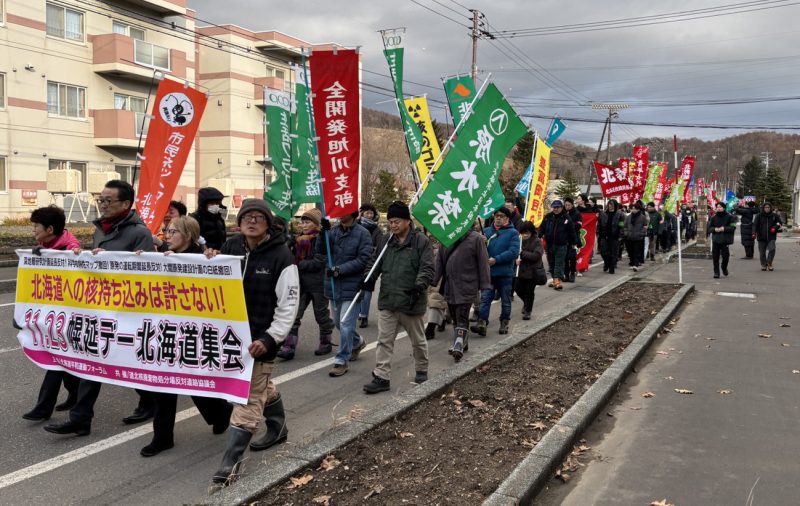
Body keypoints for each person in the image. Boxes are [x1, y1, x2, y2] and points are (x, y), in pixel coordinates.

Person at [45, 180, 155, 436]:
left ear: (126, 204)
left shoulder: (139, 233)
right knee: (93, 359)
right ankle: (81, 418)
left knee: (132, 362)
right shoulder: (101, 229)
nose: (102, 205)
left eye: (108, 201)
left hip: (126, 311)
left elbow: (147, 275)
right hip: (99, 308)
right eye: (100, 200)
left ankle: (150, 398)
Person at [209, 199, 299, 484]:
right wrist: (207, 258)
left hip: (259, 340)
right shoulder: (231, 248)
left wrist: (272, 338)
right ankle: (278, 426)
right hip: (230, 338)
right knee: (261, 384)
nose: (252, 221)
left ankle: (230, 463)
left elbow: (288, 305)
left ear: (268, 224)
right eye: (247, 216)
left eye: (259, 217)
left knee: (247, 396)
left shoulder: (282, 256)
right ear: (239, 222)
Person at [140, 216, 233, 457]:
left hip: (193, 332)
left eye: (173, 232)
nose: (167, 236)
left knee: (195, 385)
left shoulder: (204, 259)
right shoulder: (160, 256)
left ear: (188, 236)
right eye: (166, 232)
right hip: (166, 331)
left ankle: (222, 414)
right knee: (163, 386)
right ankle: (162, 437)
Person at [363, 202, 434, 393]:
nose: (392, 225)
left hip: (411, 299)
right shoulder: (386, 241)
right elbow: (375, 261)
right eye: (390, 222)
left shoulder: (421, 241)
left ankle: (421, 369)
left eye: (396, 222)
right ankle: (381, 376)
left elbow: (427, 267)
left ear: (407, 221)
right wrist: (368, 278)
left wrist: (419, 285)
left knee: (418, 340)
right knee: (384, 340)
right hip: (388, 300)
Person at [22, 206, 81, 422]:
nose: (33, 230)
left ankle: (43, 408)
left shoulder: (70, 249)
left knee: (56, 360)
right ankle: (74, 395)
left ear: (49, 228)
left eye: (36, 226)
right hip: (52, 313)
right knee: (62, 360)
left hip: (70, 314)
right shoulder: (46, 245)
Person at [276, 209, 335, 360]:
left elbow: (320, 261)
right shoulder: (297, 240)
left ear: (316, 224)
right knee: (294, 315)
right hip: (299, 284)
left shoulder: (322, 239)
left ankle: (326, 342)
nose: (304, 225)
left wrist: (299, 264)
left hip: (318, 284)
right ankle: (289, 346)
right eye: (302, 221)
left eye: (307, 221)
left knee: (321, 315)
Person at [319, 212, 372, 377]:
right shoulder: (333, 231)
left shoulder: (363, 233)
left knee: (346, 322)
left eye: (344, 210)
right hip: (334, 286)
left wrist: (340, 270)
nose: (340, 214)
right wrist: (323, 233)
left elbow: (363, 259)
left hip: (352, 285)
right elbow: (320, 251)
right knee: (338, 323)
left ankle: (341, 360)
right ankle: (357, 342)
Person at [434, 228, 491, 362]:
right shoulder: (446, 236)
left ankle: (458, 344)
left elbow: (483, 262)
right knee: (454, 315)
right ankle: (462, 342)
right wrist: (434, 279)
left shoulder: (476, 238)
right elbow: (440, 261)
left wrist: (485, 284)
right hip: (450, 285)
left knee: (462, 315)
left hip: (468, 284)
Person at [471, 207, 520, 336]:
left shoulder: (513, 233)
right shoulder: (486, 232)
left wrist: (496, 259)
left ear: (507, 218)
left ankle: (504, 322)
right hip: (489, 273)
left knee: (505, 300)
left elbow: (513, 252)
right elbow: (477, 253)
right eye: (496, 215)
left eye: (502, 216)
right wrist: (481, 244)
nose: (498, 218)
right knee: (485, 299)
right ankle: (482, 322)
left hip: (505, 273)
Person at [356, 203, 384, 329]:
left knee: (367, 290)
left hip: (370, 263)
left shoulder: (376, 230)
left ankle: (364, 315)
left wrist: (371, 252)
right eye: (367, 212)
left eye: (371, 213)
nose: (369, 215)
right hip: (356, 262)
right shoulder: (355, 226)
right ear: (361, 214)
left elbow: (380, 246)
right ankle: (358, 312)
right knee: (357, 289)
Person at [538, 200, 576, 291]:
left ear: (561, 207)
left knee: (559, 263)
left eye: (557, 207)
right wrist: (538, 236)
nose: (555, 209)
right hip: (550, 244)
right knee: (551, 263)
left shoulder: (566, 218)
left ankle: (557, 281)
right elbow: (542, 228)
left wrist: (575, 242)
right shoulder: (548, 217)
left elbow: (572, 231)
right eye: (554, 207)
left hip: (562, 245)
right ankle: (554, 279)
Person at [514, 221, 544, 321]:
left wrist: (522, 254)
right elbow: (514, 253)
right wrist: (515, 260)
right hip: (520, 271)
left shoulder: (536, 241)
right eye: (523, 233)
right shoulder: (518, 241)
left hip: (532, 272)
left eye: (527, 233)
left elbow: (536, 256)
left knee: (529, 292)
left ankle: (528, 311)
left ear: (531, 232)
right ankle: (526, 303)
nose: (525, 235)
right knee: (518, 289)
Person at [707, 201, 737, 278]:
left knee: (726, 256)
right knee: (715, 257)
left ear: (724, 208)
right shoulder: (713, 217)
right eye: (717, 207)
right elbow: (709, 228)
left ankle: (724, 267)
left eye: (720, 207)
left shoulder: (730, 217)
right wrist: (714, 229)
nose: (719, 208)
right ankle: (716, 272)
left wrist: (724, 228)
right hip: (716, 240)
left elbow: (733, 227)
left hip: (725, 240)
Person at [752, 202, 783, 271]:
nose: (767, 209)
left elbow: (779, 223)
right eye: (765, 207)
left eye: (768, 207)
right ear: (763, 208)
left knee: (772, 250)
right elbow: (754, 225)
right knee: (762, 252)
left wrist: (775, 228)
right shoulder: (759, 216)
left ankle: (769, 263)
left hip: (771, 236)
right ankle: (763, 264)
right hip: (761, 236)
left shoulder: (774, 215)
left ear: (770, 208)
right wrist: (754, 233)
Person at [597, 199, 624, 274]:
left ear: (615, 206)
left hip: (614, 236)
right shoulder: (603, 214)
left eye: (612, 205)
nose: (610, 206)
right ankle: (606, 263)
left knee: (613, 253)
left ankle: (611, 267)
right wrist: (599, 232)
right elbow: (599, 224)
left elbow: (621, 225)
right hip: (604, 236)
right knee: (603, 251)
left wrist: (620, 235)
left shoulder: (620, 214)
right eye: (609, 204)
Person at [623, 201, 648, 271]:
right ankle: (632, 262)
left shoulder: (642, 217)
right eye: (632, 209)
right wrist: (626, 233)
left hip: (638, 237)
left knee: (636, 251)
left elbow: (645, 226)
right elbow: (625, 226)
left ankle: (636, 264)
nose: (633, 210)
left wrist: (641, 233)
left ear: (638, 209)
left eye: (635, 209)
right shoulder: (628, 217)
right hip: (629, 237)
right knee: (630, 251)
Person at [562, 197, 583, 282]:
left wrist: (569, 225)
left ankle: (572, 273)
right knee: (565, 258)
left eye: (569, 205)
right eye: (566, 205)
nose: (567, 206)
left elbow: (579, 225)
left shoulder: (577, 213)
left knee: (572, 257)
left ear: (572, 205)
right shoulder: (562, 213)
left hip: (573, 238)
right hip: (564, 238)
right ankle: (566, 274)